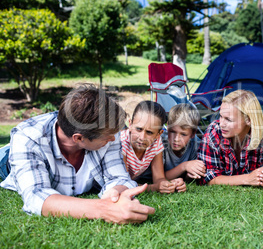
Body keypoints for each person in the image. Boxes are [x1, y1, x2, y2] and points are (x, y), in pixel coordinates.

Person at [0, 83, 155, 224]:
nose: (114, 138)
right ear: (79, 138)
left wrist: (114, 193)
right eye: (108, 136)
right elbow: (36, 197)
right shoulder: (28, 138)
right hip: (9, 160)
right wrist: (104, 209)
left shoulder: (107, 132)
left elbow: (119, 177)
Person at [198, 89, 263, 186]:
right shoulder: (213, 132)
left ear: (249, 120)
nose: (221, 124)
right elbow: (208, 177)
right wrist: (247, 179)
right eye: (221, 116)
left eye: (228, 120)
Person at [121, 100, 186, 193]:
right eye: (139, 129)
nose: (142, 137)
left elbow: (159, 177)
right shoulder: (121, 143)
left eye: (149, 132)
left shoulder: (155, 142)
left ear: (159, 134)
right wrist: (154, 188)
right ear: (130, 124)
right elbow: (124, 184)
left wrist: (170, 185)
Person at [156, 103, 205, 181]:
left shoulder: (196, 145)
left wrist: (190, 175)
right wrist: (184, 166)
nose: (176, 139)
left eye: (183, 134)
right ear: (167, 126)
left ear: (193, 134)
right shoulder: (160, 144)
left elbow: (190, 176)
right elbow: (159, 177)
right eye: (172, 132)